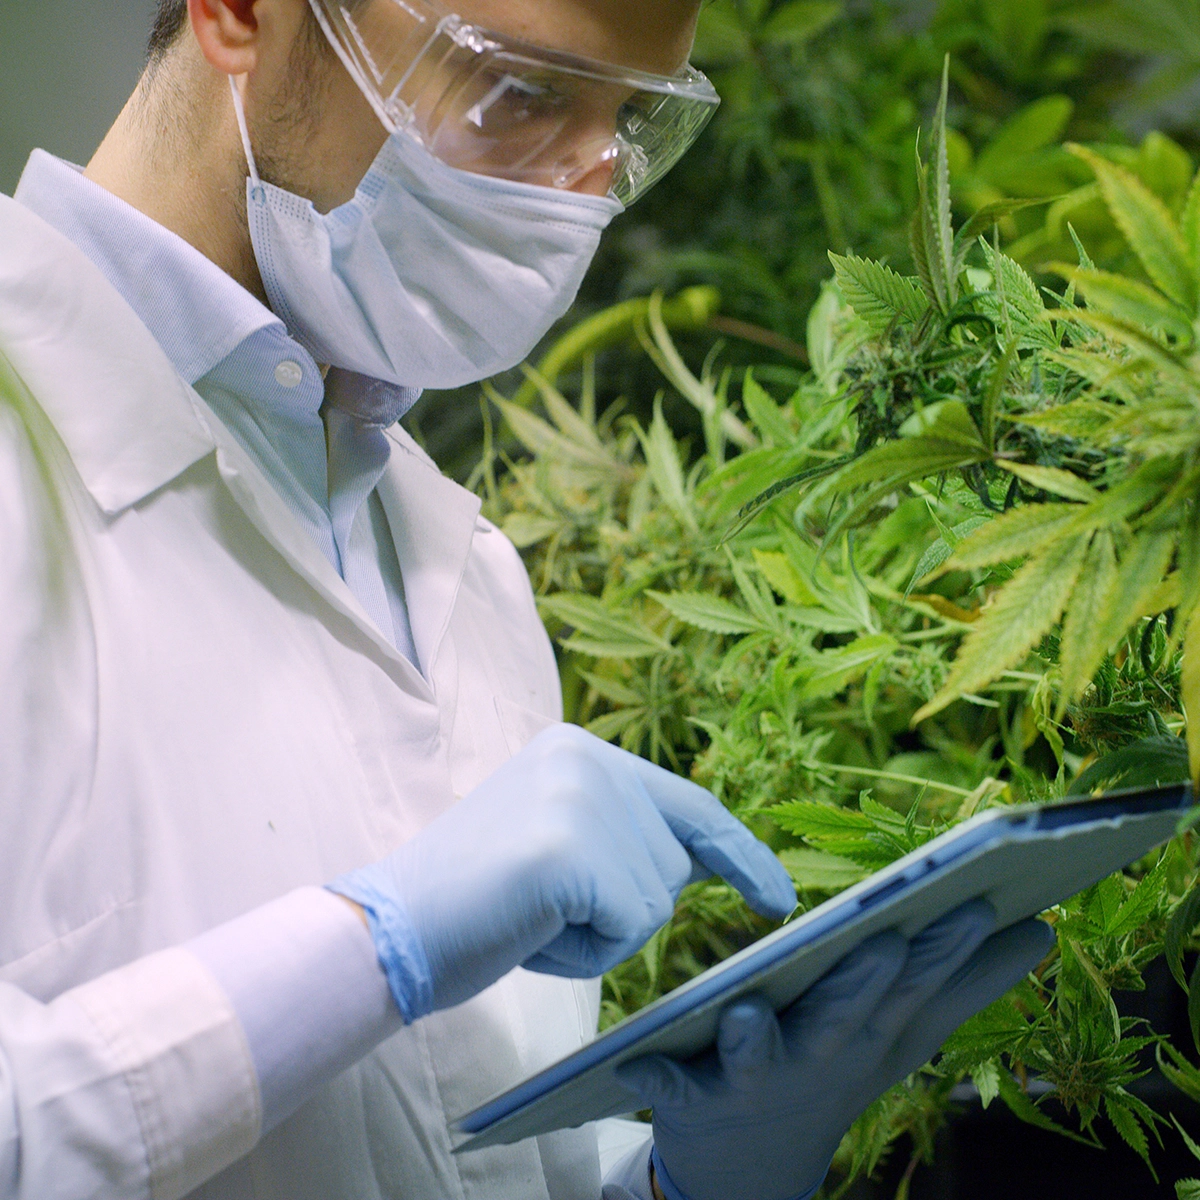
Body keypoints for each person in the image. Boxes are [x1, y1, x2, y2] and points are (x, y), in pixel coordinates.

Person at [0, 1, 1054, 1198]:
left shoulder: (466, 574)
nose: (582, 194)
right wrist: (373, 948)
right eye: (523, 92)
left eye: (632, 122)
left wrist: (688, 1183)